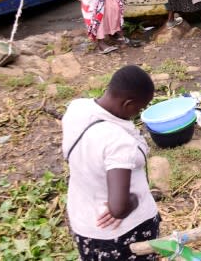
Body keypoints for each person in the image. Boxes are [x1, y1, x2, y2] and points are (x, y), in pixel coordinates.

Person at [62, 65, 159, 260]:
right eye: (139, 108)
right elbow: (118, 208)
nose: (138, 112)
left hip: (85, 223)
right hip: (121, 234)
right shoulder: (118, 141)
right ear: (128, 103)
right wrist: (134, 199)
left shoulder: (77, 108)